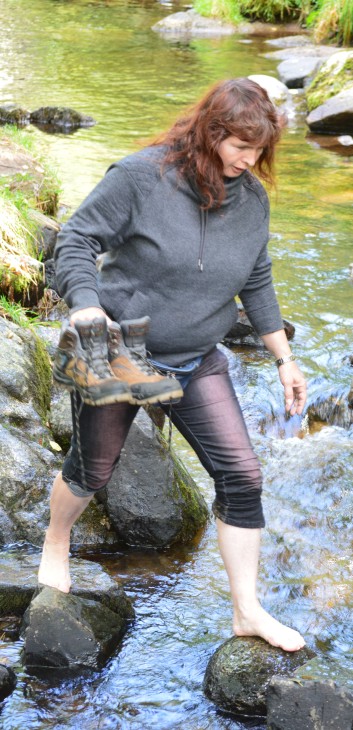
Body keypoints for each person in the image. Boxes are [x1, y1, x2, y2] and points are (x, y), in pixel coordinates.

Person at [38, 77, 307, 652]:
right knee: (94, 470)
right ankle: (56, 541)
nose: (250, 160)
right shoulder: (141, 177)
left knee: (243, 477)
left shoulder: (252, 198)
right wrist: (85, 305)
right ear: (211, 134)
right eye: (240, 146)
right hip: (117, 344)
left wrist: (284, 358)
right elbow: (77, 240)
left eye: (259, 149)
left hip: (196, 355)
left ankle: (246, 610)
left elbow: (255, 278)